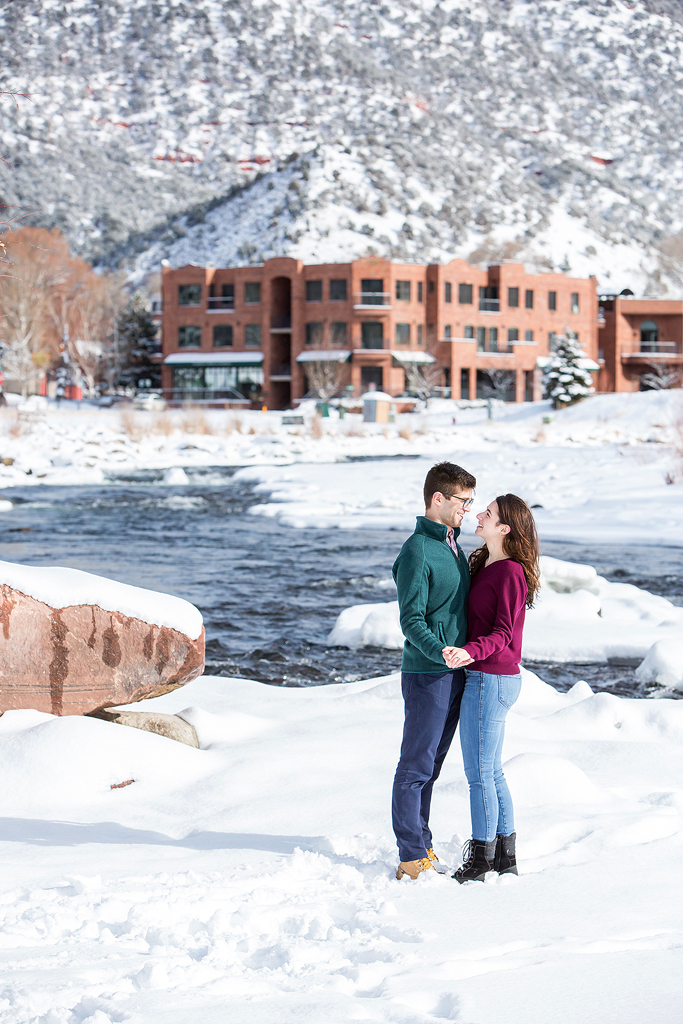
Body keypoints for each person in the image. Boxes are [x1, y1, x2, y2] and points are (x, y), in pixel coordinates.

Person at [443, 494, 540, 882]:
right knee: (492, 772)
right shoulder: (485, 563)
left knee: (479, 773)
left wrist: (469, 652)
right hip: (488, 677)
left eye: (488, 513)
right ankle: (505, 857)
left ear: (505, 529)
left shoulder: (511, 572)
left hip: (491, 678)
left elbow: (503, 634)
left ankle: (481, 859)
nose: (479, 515)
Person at [391, 461, 476, 880]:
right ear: (437, 499)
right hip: (428, 672)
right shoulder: (417, 550)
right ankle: (410, 857)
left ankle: (422, 842)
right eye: (463, 500)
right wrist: (439, 651)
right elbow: (411, 619)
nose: (467, 508)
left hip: (454, 671)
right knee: (415, 766)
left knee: (433, 765)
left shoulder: (452, 545)